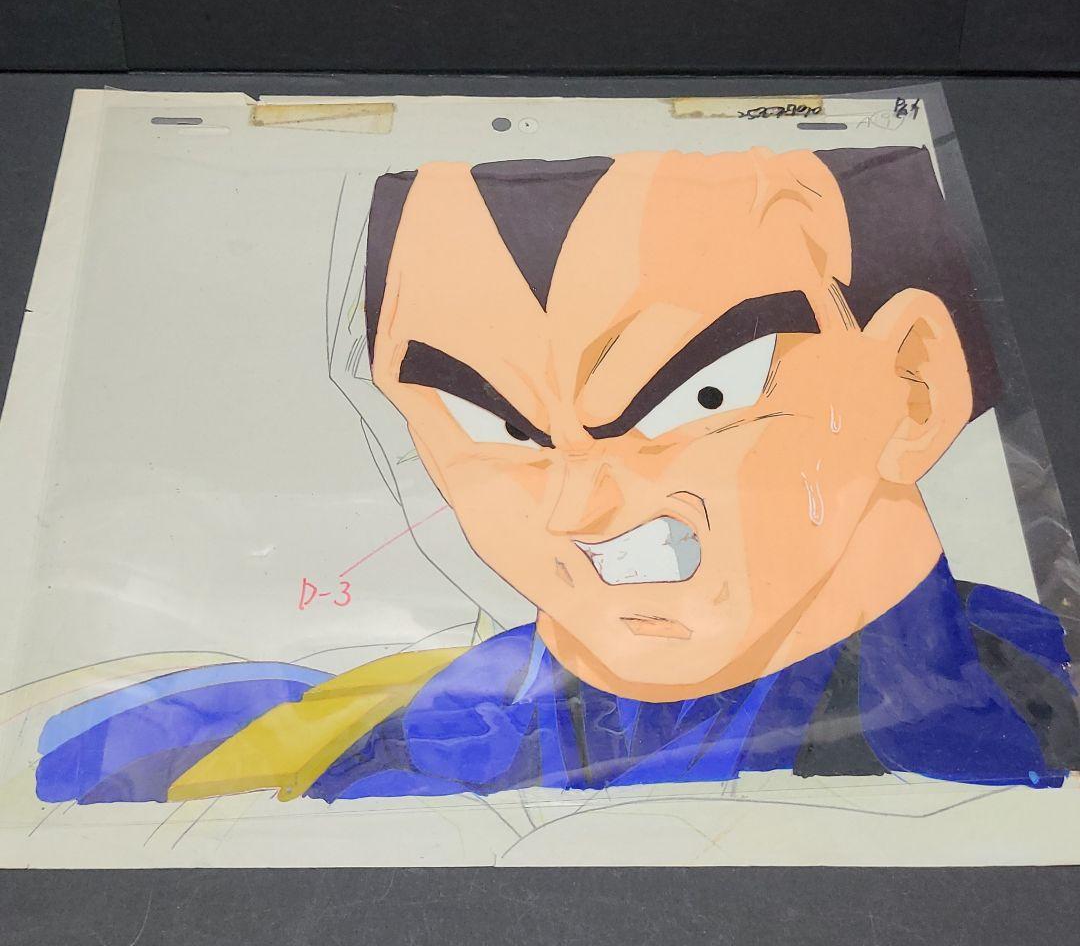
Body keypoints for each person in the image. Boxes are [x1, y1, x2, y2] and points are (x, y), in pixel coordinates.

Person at [37, 146, 1080, 805]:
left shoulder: (1041, 726)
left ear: (911, 384)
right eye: (492, 420)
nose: (579, 501)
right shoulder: (319, 751)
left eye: (702, 393)